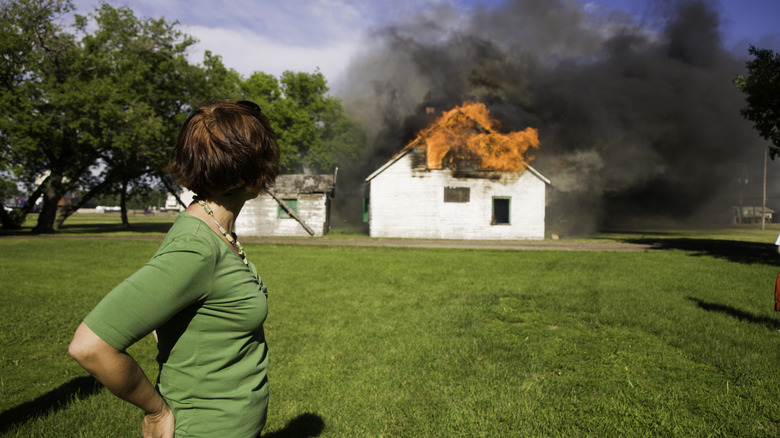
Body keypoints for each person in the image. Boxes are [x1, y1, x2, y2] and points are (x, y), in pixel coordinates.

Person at [68, 100, 280, 438]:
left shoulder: (213, 229)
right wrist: (156, 412)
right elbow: (90, 346)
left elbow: (175, 307)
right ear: (248, 169)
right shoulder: (196, 248)